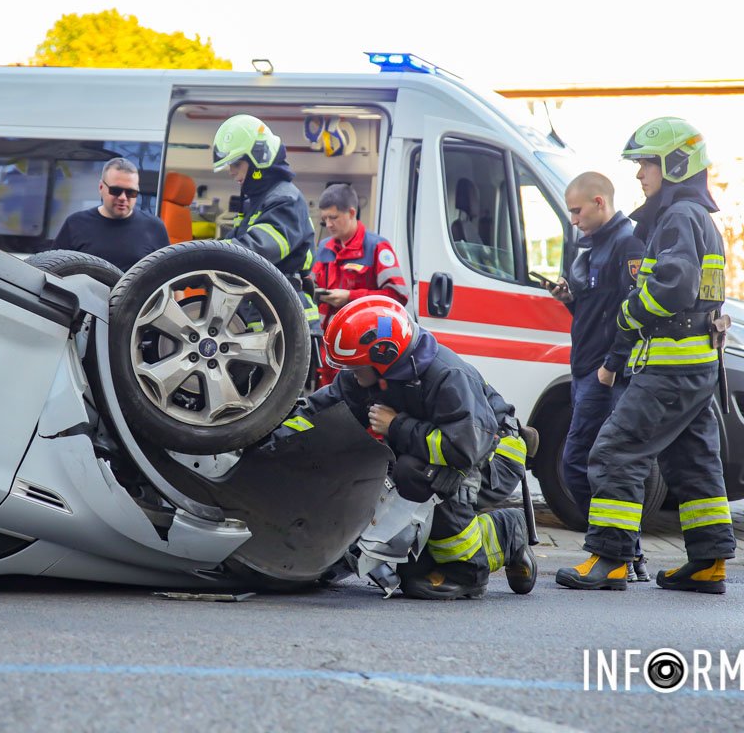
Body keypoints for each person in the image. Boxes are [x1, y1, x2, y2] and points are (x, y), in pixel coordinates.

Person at [555, 117, 736, 594]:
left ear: (675, 164)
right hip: (697, 366)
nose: (639, 174)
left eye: (647, 165)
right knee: (694, 461)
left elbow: (673, 287)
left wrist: (628, 313)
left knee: (614, 451)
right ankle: (708, 563)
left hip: (670, 366)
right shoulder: (698, 218)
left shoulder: (678, 217)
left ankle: (610, 559)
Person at [275, 296, 537, 600]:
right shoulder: (373, 376)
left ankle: (471, 569)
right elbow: (322, 412)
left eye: (356, 366)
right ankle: (496, 540)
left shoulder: (447, 376)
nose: (351, 373)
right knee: (414, 576)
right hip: (449, 453)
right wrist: (272, 435)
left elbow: (464, 448)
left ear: (384, 357)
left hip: (492, 455)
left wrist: (397, 425)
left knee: (420, 474)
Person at [547, 171, 649, 581]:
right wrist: (569, 299)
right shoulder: (590, 248)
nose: (573, 219)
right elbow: (596, 310)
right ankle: (626, 552)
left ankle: (614, 551)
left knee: (578, 462)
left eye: (577, 211)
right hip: (585, 369)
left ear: (599, 202)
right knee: (588, 464)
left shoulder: (628, 244)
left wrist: (611, 366)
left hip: (603, 373)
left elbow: (634, 312)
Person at [211, 114, 321, 330]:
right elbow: (234, 244)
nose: (231, 171)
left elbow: (257, 250)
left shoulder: (285, 199)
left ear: (258, 159)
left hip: (285, 317)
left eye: (236, 163)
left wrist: (203, 254)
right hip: (267, 308)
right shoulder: (259, 201)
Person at [312, 183, 408, 386]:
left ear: (352, 213)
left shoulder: (377, 247)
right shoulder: (324, 247)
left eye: (333, 217)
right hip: (328, 345)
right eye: (324, 219)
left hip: (363, 350)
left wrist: (349, 297)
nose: (328, 224)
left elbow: (397, 297)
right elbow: (312, 285)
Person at [52, 157, 170, 271]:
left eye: (131, 192)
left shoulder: (154, 227)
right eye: (116, 191)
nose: (123, 197)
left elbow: (168, 276)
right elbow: (53, 270)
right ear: (101, 187)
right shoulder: (75, 224)